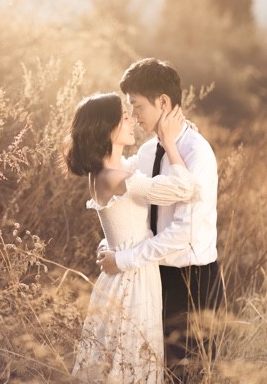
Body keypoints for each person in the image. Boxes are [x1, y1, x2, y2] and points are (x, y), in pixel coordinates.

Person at [97, 58, 224, 382]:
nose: (134, 115)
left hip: (191, 283)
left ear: (163, 102)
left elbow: (183, 232)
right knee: (147, 368)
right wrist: (112, 243)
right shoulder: (147, 151)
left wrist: (124, 259)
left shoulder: (197, 153)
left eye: (137, 106)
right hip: (152, 277)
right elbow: (129, 203)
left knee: (185, 374)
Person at [63, 92, 196, 383]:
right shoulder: (117, 178)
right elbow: (184, 189)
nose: (132, 120)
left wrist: (166, 131)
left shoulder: (107, 170)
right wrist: (170, 143)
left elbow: (139, 162)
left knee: (118, 356)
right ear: (107, 128)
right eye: (124, 117)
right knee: (129, 358)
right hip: (131, 280)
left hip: (122, 273)